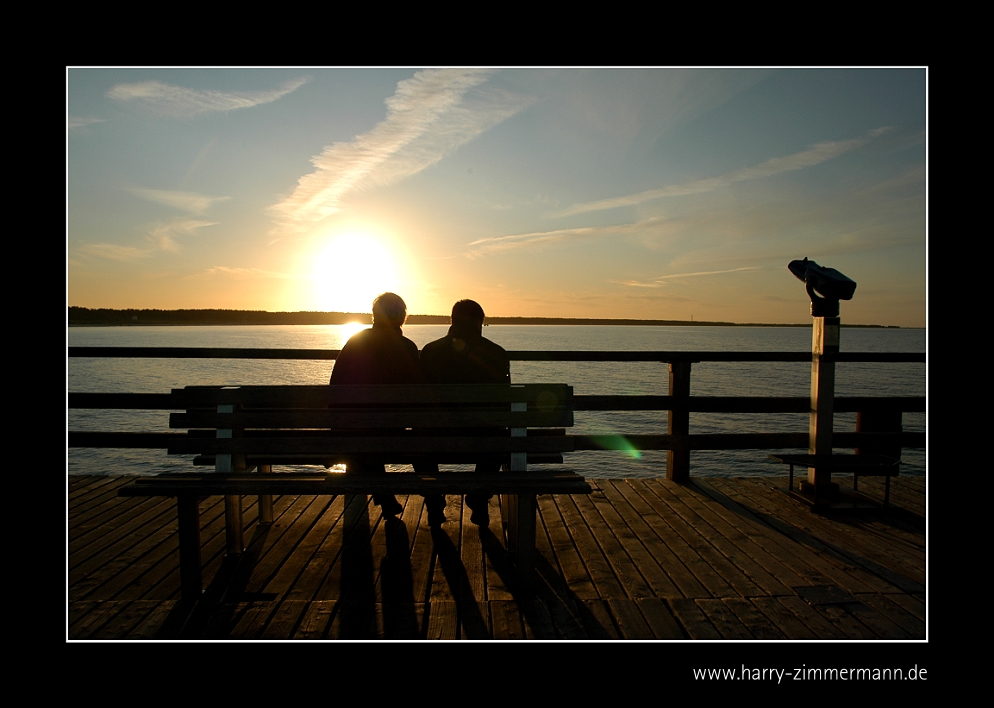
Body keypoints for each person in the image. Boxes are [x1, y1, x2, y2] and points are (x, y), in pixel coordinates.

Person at [330, 292, 423, 517]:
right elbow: (417, 395)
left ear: (374, 316)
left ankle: (383, 497)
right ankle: (392, 498)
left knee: (363, 438)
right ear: (402, 318)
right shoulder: (408, 348)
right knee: (380, 435)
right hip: (393, 431)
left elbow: (335, 385)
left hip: (354, 430)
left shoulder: (356, 341)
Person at [419, 299, 510, 526]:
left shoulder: (430, 352)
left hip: (435, 440)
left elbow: (420, 402)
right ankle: (479, 497)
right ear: (480, 321)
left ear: (452, 320)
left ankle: (434, 503)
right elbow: (506, 406)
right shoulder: (497, 354)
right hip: (483, 441)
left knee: (417, 437)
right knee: (501, 438)